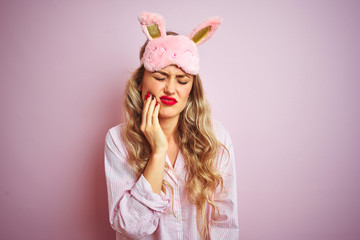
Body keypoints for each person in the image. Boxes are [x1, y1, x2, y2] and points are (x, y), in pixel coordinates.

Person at [104, 12, 239, 240]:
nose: (170, 89)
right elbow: (130, 227)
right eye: (160, 77)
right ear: (140, 83)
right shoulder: (118, 140)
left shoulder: (216, 138)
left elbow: (225, 223)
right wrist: (158, 153)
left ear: (191, 89)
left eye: (182, 80)